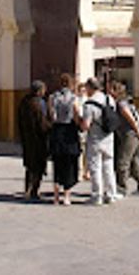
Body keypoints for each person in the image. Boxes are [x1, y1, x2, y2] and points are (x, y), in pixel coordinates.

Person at [80, 77, 120, 205]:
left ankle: (97, 195)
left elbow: (86, 125)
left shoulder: (89, 104)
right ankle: (111, 194)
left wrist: (79, 123)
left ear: (91, 88)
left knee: (95, 167)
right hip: (109, 137)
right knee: (108, 165)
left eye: (86, 87)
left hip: (95, 139)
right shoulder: (109, 99)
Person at [111, 81, 139, 196]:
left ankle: (121, 188)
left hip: (129, 135)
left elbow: (131, 120)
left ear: (115, 91)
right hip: (131, 134)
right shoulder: (125, 102)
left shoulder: (121, 104)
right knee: (134, 161)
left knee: (122, 162)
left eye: (111, 89)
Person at [49, 73, 81, 205]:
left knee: (57, 163)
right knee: (68, 164)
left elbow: (51, 115)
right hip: (69, 132)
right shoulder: (74, 98)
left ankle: (56, 196)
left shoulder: (52, 97)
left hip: (56, 131)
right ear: (71, 84)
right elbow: (76, 114)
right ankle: (66, 196)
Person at [17, 80, 50, 201]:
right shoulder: (38, 104)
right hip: (38, 139)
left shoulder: (24, 102)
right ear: (39, 91)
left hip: (27, 138)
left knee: (30, 165)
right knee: (38, 165)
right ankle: (34, 190)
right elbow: (42, 123)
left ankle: (28, 188)